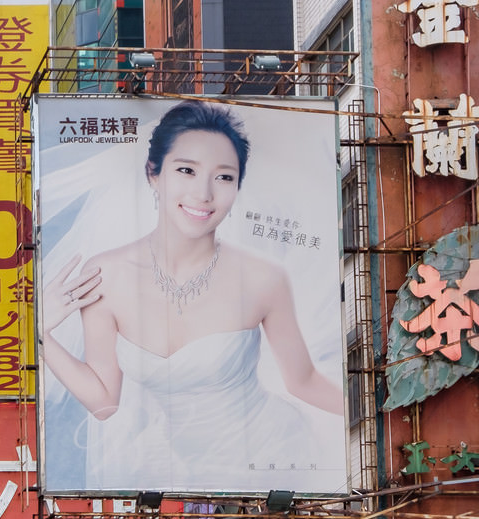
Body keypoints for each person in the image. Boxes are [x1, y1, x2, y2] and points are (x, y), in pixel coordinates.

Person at [40, 100, 345, 493]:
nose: (203, 194)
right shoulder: (106, 276)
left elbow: (304, 382)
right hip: (182, 472)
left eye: (223, 177)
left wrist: (373, 421)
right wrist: (41, 335)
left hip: (273, 458)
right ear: (154, 174)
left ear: (237, 188)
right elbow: (104, 404)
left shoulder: (262, 278)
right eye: (186, 170)